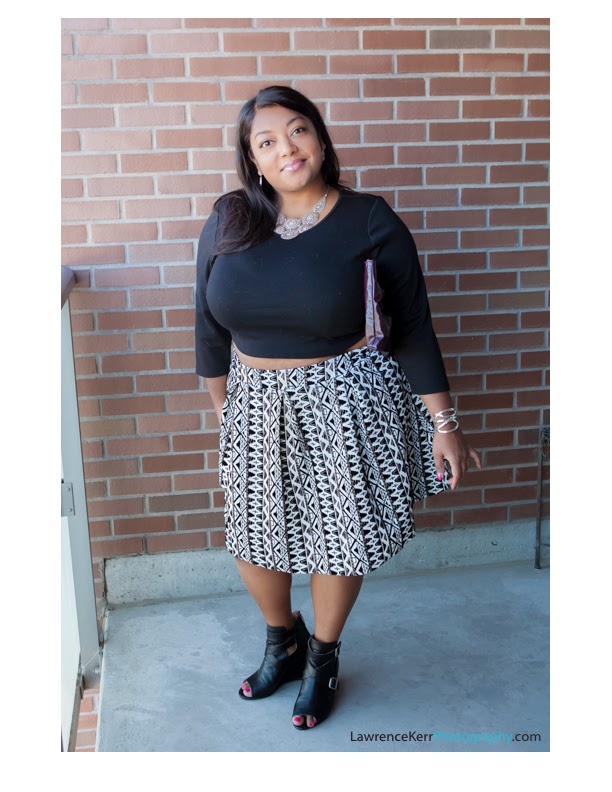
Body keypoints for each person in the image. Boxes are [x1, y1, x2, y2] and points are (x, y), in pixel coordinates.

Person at [195, 85, 482, 731]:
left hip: (344, 397)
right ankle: (283, 641)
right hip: (253, 398)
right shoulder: (229, 218)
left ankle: (322, 657)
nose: (286, 148)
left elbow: (413, 326)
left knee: (338, 537)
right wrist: (223, 406)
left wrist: (445, 425)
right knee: (252, 536)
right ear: (252, 159)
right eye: (267, 140)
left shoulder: (369, 219)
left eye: (298, 130)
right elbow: (206, 323)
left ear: (321, 140)